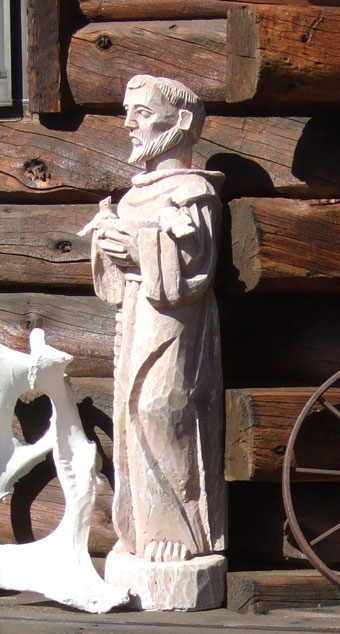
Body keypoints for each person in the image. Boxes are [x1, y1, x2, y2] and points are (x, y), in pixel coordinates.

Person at [87, 75, 226, 563]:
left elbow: (197, 271)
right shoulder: (133, 195)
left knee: (163, 407)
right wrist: (106, 245)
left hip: (173, 318)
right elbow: (115, 275)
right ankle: (141, 530)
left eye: (142, 113)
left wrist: (141, 249)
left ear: (182, 122)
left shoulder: (193, 191)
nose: (128, 124)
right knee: (130, 413)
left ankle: (180, 532)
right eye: (128, 112)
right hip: (135, 312)